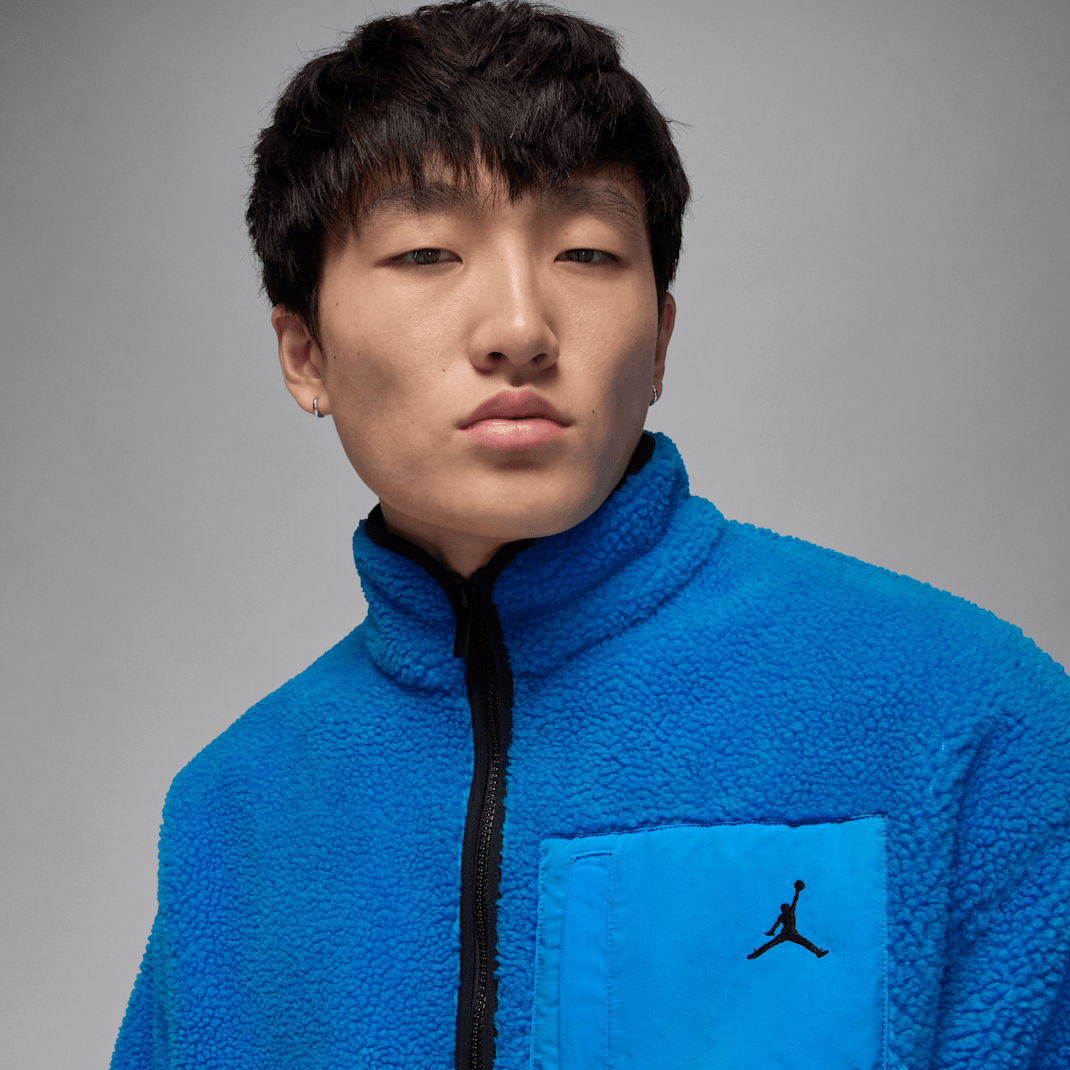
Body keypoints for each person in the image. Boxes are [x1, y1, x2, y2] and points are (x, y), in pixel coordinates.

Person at [110, 2, 1070, 1067]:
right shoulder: (231, 813)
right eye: (427, 251)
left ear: (658, 341)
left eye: (585, 250)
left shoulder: (963, 718)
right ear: (304, 354)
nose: (519, 328)